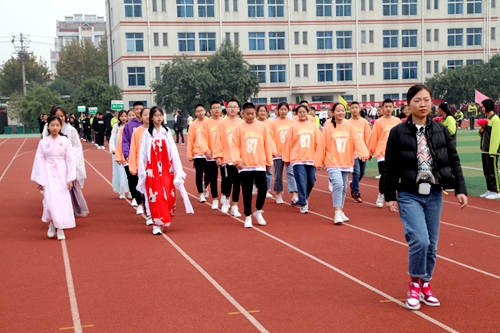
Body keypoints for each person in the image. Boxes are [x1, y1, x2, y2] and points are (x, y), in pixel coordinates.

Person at [384, 84, 468, 311]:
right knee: (420, 240)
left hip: (434, 194)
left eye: (427, 100)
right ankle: (414, 285)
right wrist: (389, 195)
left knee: (432, 245)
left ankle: (425, 284)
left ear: (432, 103)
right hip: (409, 194)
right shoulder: (398, 132)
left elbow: (453, 160)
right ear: (408, 104)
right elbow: (390, 166)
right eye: (417, 100)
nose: (423, 104)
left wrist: (460, 188)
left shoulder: (441, 131)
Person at [137, 106, 194, 235]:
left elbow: (173, 151)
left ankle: (165, 218)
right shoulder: (147, 134)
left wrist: (177, 169)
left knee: (168, 194)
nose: (159, 117)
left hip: (167, 169)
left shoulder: (167, 131)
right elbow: (143, 153)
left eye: (160, 115)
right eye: (156, 115)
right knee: (156, 196)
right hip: (152, 170)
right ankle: (156, 223)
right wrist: (142, 171)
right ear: (151, 117)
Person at [317, 102, 369, 224]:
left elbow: (357, 141)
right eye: (338, 111)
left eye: (342, 110)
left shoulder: (350, 127)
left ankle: (341, 211)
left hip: (346, 161)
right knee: (338, 185)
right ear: (333, 112)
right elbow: (322, 145)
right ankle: (336, 212)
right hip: (332, 161)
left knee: (344, 187)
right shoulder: (328, 128)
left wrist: (364, 153)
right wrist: (319, 161)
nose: (341, 113)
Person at [32, 115, 77, 241]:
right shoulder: (43, 142)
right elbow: (39, 160)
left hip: (62, 173)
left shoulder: (65, 141)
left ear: (61, 126)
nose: (55, 127)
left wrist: (70, 178)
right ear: (48, 126)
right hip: (48, 172)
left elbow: (70, 160)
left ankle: (61, 228)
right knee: (49, 199)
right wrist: (40, 180)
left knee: (61, 200)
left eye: (57, 125)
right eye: (52, 125)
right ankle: (52, 223)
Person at [230, 102, 273, 228]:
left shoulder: (262, 127)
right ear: (242, 114)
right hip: (245, 165)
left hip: (259, 163)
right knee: (247, 191)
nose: (250, 116)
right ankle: (248, 215)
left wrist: (268, 161)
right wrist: (237, 161)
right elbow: (234, 145)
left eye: (252, 114)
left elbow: (267, 144)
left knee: (263, 188)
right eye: (247, 114)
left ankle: (258, 211)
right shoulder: (239, 128)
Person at [43, 106, 89, 217]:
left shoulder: (70, 130)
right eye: (57, 116)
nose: (60, 118)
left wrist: (73, 159)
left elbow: (77, 146)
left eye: (62, 116)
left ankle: (73, 208)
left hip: (68, 161)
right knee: (56, 187)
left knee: (71, 186)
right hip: (53, 163)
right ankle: (57, 209)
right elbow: (45, 143)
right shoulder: (48, 127)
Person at [282, 104, 323, 214]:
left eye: (304, 112)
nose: (302, 114)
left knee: (311, 181)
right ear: (296, 113)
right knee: (301, 181)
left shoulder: (313, 126)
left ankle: (303, 196)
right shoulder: (293, 127)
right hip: (297, 158)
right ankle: (303, 202)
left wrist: (320, 157)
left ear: (307, 112)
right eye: (299, 112)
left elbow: (319, 142)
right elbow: (288, 143)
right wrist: (286, 158)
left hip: (311, 158)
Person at [367, 99, 401, 208]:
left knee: (395, 176)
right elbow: (374, 138)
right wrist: (370, 152)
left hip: (395, 153)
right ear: (382, 108)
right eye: (386, 106)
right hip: (382, 153)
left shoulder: (397, 121)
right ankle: (381, 193)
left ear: (393, 108)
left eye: (390, 106)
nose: (388, 109)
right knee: (385, 175)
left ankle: (392, 197)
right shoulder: (378, 122)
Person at [213, 99, 244, 217]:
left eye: (235, 107)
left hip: (238, 159)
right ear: (226, 109)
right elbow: (218, 141)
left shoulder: (242, 123)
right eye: (230, 106)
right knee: (227, 181)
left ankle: (235, 206)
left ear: (238, 109)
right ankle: (226, 200)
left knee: (237, 182)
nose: (232, 109)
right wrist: (218, 156)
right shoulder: (222, 123)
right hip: (226, 158)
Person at [268, 102, 298, 205]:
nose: (283, 111)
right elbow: (270, 138)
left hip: (289, 154)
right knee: (278, 174)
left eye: (285, 109)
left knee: (291, 173)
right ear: (277, 111)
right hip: (278, 153)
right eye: (281, 109)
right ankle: (278, 193)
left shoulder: (293, 122)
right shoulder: (273, 123)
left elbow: (295, 138)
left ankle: (294, 193)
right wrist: (273, 150)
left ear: (288, 110)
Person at [129, 108, 151, 220]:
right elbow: (133, 149)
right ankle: (149, 214)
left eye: (149, 114)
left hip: (155, 166)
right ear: (141, 117)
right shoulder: (137, 131)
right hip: (142, 166)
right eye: (145, 114)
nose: (147, 116)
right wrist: (133, 166)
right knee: (145, 190)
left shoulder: (158, 130)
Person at [347, 101, 371, 203]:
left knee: (362, 172)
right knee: (356, 172)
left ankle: (353, 184)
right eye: (352, 108)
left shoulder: (364, 122)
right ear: (350, 110)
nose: (354, 110)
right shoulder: (348, 123)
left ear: (360, 109)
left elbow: (368, 137)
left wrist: (369, 151)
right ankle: (357, 193)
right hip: (353, 152)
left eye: (356, 107)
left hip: (363, 151)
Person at [122, 102, 145, 211]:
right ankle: (138, 201)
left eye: (141, 109)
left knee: (145, 180)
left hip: (145, 158)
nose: (139, 111)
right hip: (133, 157)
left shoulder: (148, 125)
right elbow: (125, 141)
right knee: (133, 179)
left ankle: (144, 202)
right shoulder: (129, 125)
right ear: (133, 110)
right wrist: (126, 154)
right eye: (137, 109)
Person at [201, 101, 223, 210]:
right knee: (212, 177)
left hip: (223, 155)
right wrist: (206, 150)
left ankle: (224, 195)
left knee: (225, 177)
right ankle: (215, 198)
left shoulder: (224, 122)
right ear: (210, 110)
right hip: (211, 154)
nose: (217, 110)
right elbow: (203, 138)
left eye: (218, 108)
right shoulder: (206, 123)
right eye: (214, 108)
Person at [478, 98, 500, 199]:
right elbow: (482, 135)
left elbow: (496, 136)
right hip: (485, 149)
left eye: (483, 106)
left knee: (492, 171)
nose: (482, 108)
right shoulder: (487, 119)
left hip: (491, 150)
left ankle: (496, 191)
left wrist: (493, 151)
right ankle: (489, 189)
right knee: (486, 172)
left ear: (488, 107)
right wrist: (481, 130)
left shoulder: (495, 119)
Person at [187, 104, 209, 202]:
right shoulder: (193, 125)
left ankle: (205, 185)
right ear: (195, 113)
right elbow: (190, 139)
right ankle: (200, 194)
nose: (200, 112)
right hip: (198, 153)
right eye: (198, 111)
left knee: (209, 174)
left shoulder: (209, 123)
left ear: (205, 111)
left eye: (202, 110)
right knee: (199, 173)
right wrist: (190, 154)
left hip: (208, 153)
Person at [109, 110, 130, 199]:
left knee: (129, 172)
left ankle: (130, 191)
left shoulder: (129, 126)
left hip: (128, 152)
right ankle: (121, 191)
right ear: (119, 117)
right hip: (118, 151)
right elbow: (112, 137)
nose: (124, 118)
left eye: (125, 116)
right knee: (120, 171)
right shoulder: (116, 126)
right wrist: (113, 149)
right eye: (122, 116)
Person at [257, 105, 275, 198]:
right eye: (260, 111)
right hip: (256, 150)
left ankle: (266, 189)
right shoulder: (254, 123)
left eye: (264, 111)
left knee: (268, 170)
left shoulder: (270, 123)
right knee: (255, 170)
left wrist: (273, 150)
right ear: (257, 112)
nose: (262, 113)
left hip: (267, 149)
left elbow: (272, 138)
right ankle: (254, 186)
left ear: (267, 113)